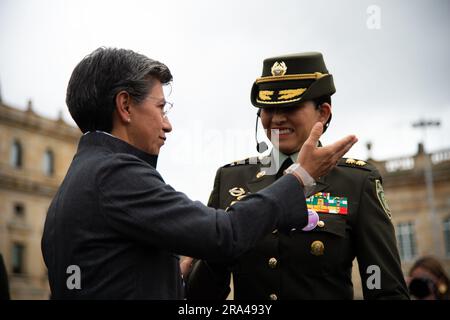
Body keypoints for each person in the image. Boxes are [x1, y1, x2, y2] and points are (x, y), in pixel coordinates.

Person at [41, 48, 357, 299]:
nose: (167, 124)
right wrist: (300, 178)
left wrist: (167, 277)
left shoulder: (80, 175)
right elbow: (225, 235)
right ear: (125, 106)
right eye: (161, 107)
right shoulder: (115, 173)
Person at [186, 52, 409, 300]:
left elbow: (386, 290)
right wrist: (213, 253)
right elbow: (200, 298)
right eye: (268, 108)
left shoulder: (356, 182)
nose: (277, 119)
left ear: (323, 113)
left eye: (291, 106)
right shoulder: (231, 179)